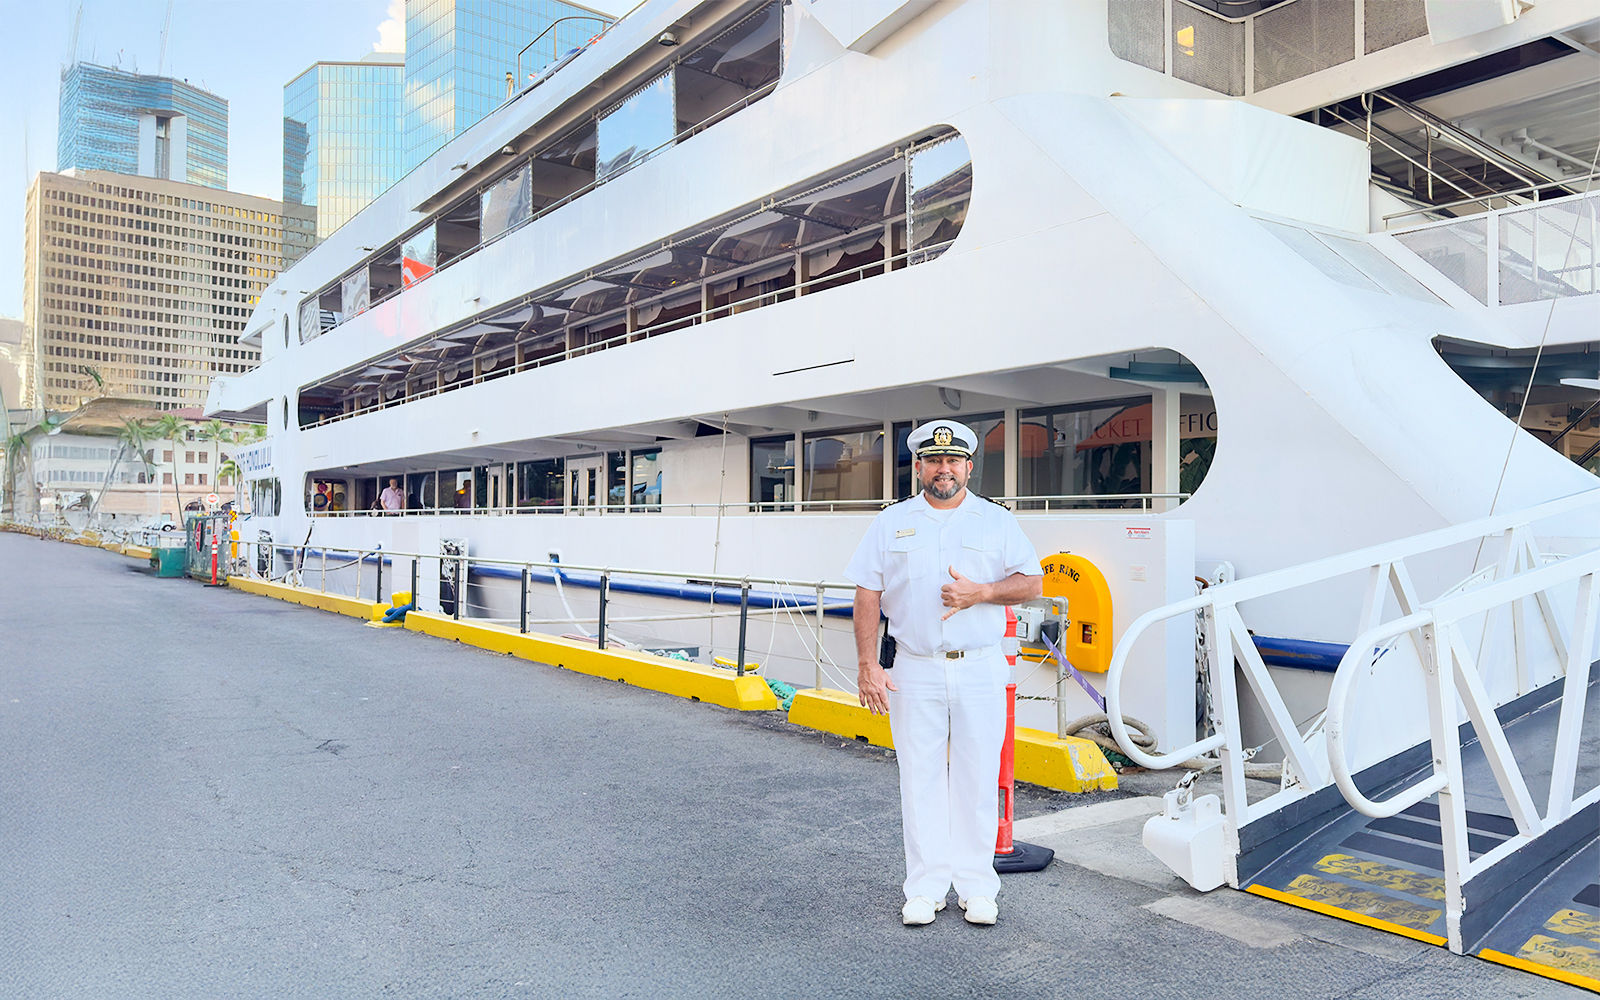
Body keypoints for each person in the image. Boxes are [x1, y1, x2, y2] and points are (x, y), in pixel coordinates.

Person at [844, 419, 1043, 928]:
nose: (944, 469)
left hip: (978, 667)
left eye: (953, 461)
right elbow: (867, 593)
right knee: (920, 778)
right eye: (934, 461)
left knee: (977, 777)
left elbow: (1031, 582)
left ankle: (977, 887)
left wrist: (982, 593)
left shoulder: (995, 521)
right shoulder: (891, 522)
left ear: (969, 467)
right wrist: (869, 664)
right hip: (915, 666)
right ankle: (926, 887)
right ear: (919, 467)